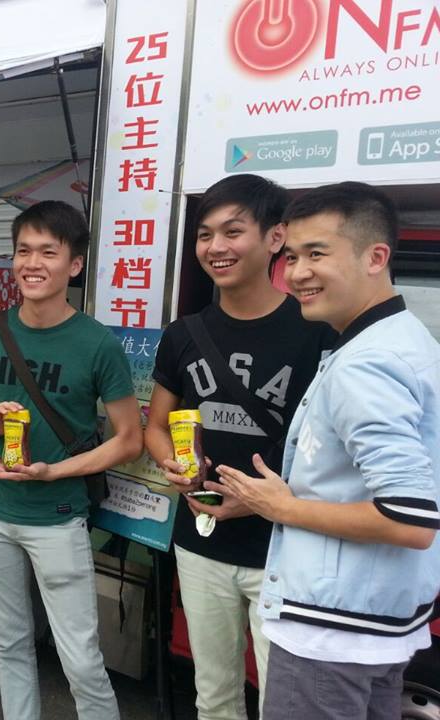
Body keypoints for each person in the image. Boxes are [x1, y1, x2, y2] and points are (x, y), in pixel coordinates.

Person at [213, 182, 440, 720]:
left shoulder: (367, 363)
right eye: (291, 256)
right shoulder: (407, 339)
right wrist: (266, 500)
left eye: (317, 254)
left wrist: (283, 507)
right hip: (379, 621)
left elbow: (409, 518)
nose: (297, 273)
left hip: (330, 632)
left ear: (375, 257)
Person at [143, 174, 334, 719]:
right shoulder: (183, 334)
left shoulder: (317, 331)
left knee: (285, 702)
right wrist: (172, 464)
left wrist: (257, 500)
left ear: (275, 237)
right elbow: (157, 425)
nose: (215, 247)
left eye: (232, 231)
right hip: (201, 539)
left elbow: (333, 451)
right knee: (214, 695)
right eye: (205, 235)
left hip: (285, 547)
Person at [0, 200, 143, 720]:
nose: (32, 263)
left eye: (48, 252)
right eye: (23, 251)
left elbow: (129, 440)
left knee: (80, 658)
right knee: (10, 645)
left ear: (74, 265)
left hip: (57, 518)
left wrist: (53, 471)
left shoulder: (97, 343)